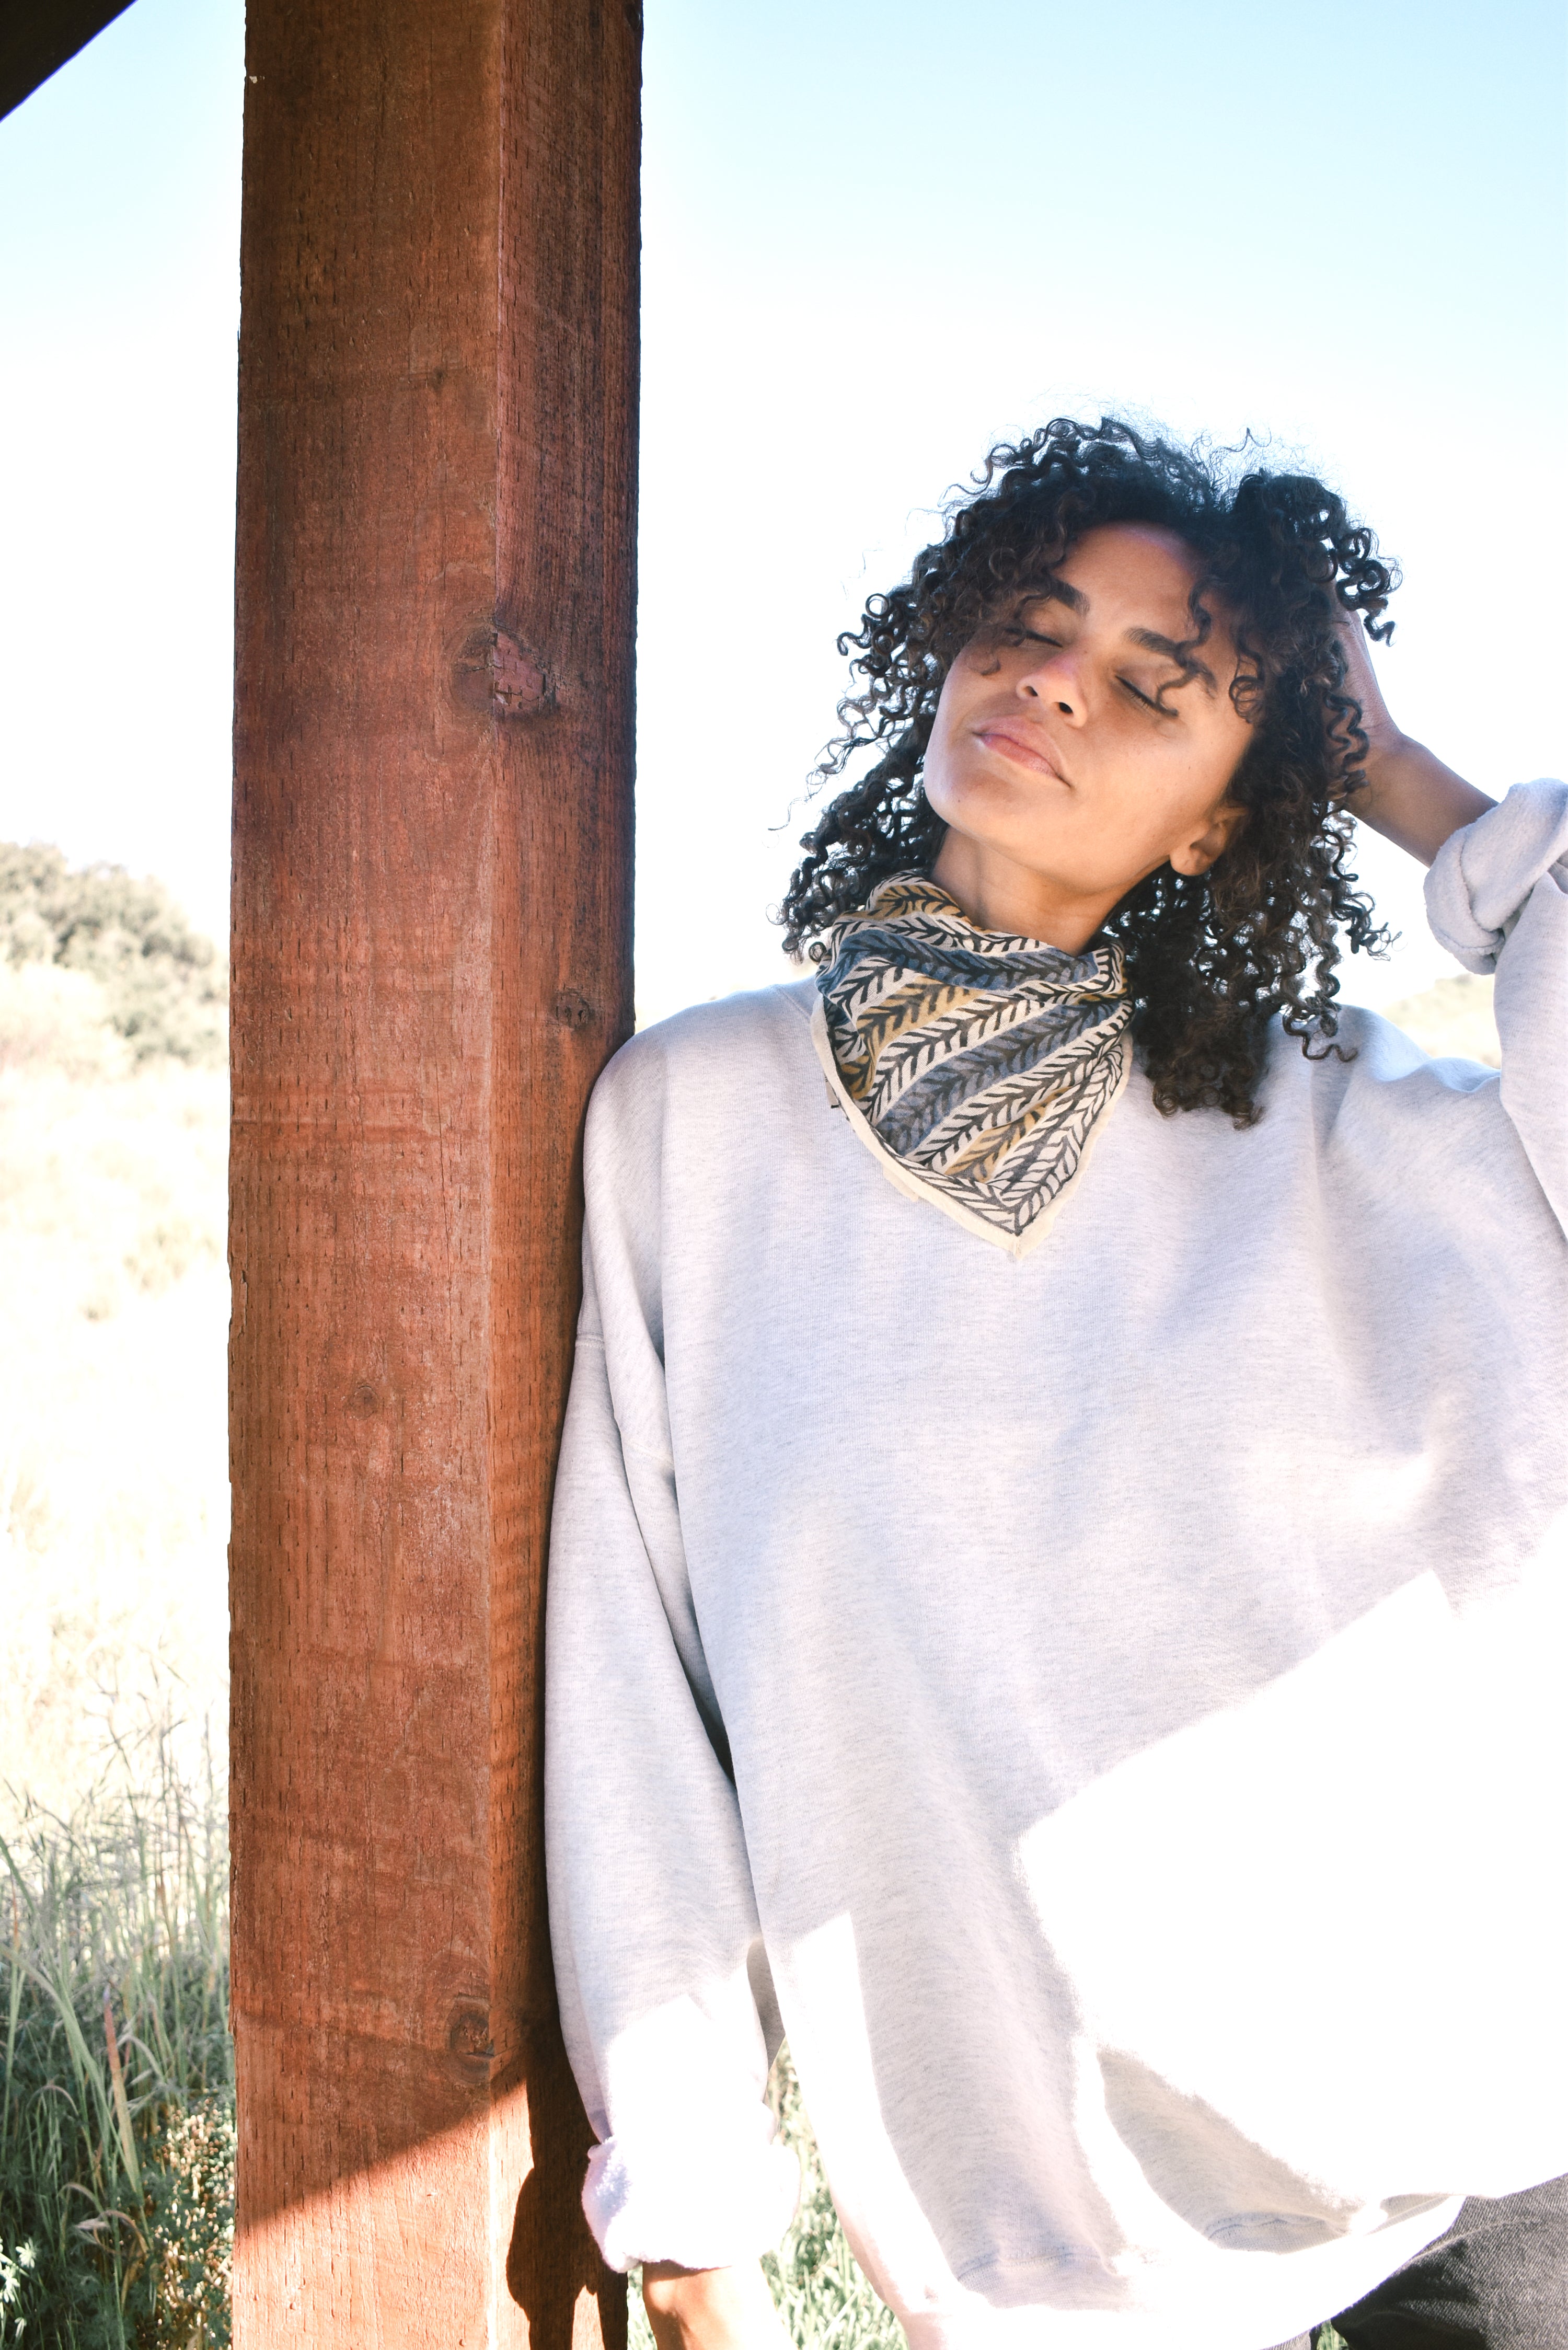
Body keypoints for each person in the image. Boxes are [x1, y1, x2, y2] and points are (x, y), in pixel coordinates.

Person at [543, 417, 1568, 2350]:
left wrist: (1424, 796)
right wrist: (691, 2225)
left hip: (1501, 2150)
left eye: (1153, 687)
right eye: (1031, 624)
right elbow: (632, 1675)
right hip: (1064, 2249)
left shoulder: (1362, 1123)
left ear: (1222, 820)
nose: (1053, 684)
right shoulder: (695, 1121)